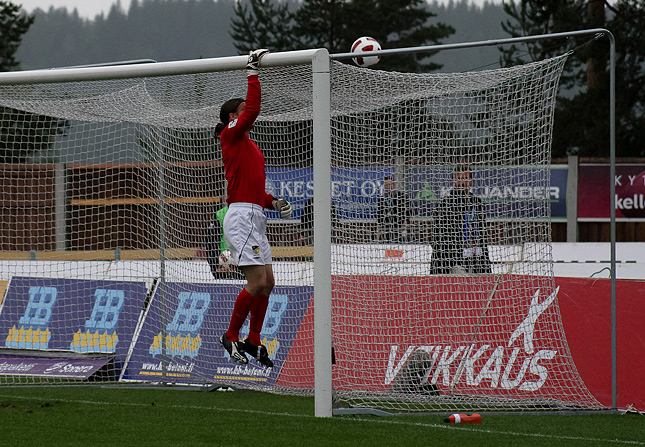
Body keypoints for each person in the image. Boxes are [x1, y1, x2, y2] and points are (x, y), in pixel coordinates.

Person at [214, 49, 292, 367]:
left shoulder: (249, 145)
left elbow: (252, 190)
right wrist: (252, 73)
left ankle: (254, 340)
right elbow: (253, 110)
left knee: (268, 282)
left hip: (254, 214)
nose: (249, 113)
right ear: (233, 117)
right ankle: (231, 335)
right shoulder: (230, 134)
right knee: (257, 283)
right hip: (241, 217)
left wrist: (271, 201)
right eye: (243, 111)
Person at [430, 167, 491, 275]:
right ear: (453, 182)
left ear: (471, 182)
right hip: (453, 260)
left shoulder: (478, 203)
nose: (462, 182)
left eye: (466, 178)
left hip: (477, 258)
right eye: (459, 179)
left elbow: (482, 233)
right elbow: (437, 236)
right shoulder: (445, 204)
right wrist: (450, 261)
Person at [376, 176, 411, 243]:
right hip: (386, 228)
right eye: (386, 185)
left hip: (398, 227)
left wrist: (404, 223)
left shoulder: (401, 196)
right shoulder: (382, 199)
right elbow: (379, 214)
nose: (387, 186)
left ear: (393, 185)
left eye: (389, 184)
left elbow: (407, 211)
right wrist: (380, 227)